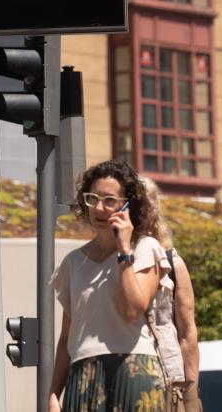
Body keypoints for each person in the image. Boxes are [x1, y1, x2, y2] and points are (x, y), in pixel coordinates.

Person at [48, 160, 170, 412]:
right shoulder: (73, 262)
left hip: (134, 368)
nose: (99, 208)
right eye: (92, 198)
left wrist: (124, 252)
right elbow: (66, 338)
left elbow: (132, 310)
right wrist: (53, 393)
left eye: (109, 200)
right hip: (83, 374)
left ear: (127, 204)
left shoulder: (146, 248)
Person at [142, 176, 202, 412]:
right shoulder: (108, 262)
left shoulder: (172, 263)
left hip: (168, 378)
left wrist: (191, 396)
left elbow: (188, 335)